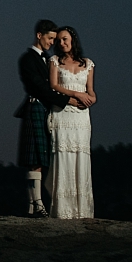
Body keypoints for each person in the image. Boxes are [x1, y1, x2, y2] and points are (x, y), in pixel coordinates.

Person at [16, 19, 88, 218]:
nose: (52, 43)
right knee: (35, 160)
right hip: (35, 106)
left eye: (55, 39)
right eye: (50, 38)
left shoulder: (48, 59)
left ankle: (34, 205)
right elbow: (41, 87)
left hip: (45, 109)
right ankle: (37, 204)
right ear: (39, 35)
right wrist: (70, 101)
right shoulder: (27, 59)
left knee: (41, 158)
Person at [46, 26, 96, 218]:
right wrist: (75, 94)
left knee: (81, 156)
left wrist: (90, 99)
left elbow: (91, 90)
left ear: (73, 39)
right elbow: (54, 85)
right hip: (62, 113)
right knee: (63, 155)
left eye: (65, 39)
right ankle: (62, 210)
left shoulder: (88, 64)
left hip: (81, 117)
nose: (62, 43)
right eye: (59, 40)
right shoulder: (55, 61)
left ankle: (81, 209)